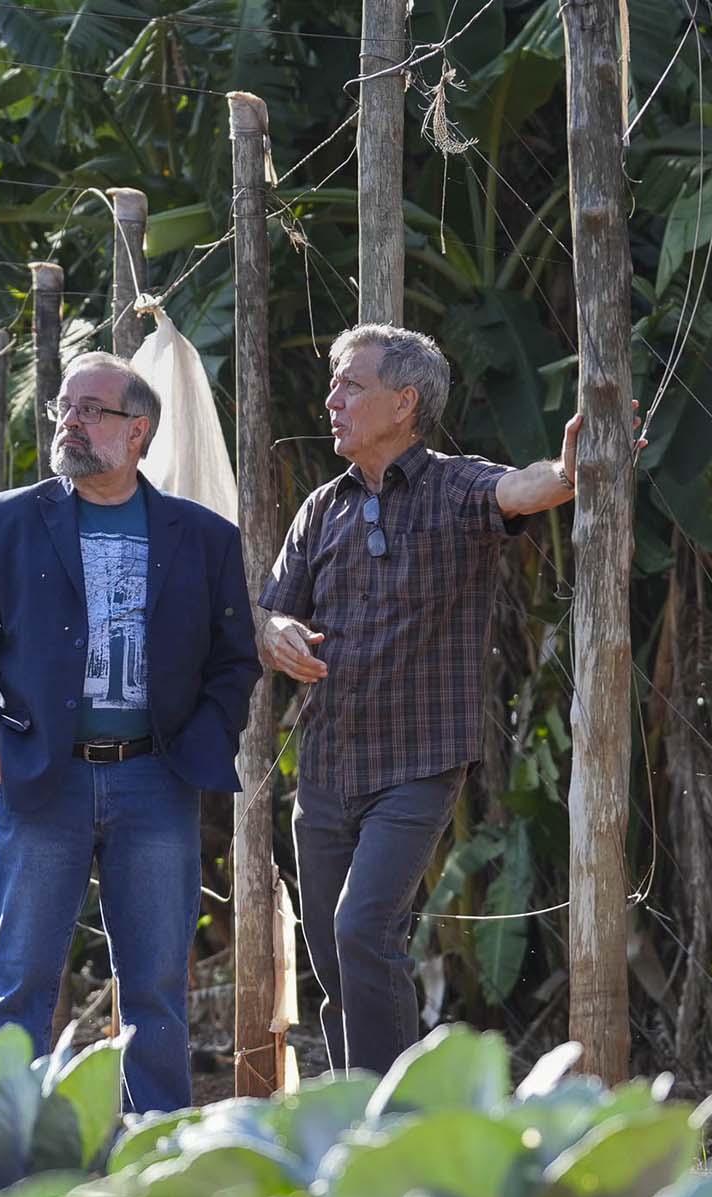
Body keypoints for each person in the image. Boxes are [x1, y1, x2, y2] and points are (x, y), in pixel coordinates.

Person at [256, 323, 618, 1077]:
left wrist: (568, 469)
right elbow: (269, 614)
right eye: (334, 385)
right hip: (325, 767)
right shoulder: (322, 507)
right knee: (331, 957)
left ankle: (396, 1122)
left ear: (404, 402)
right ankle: (358, 1105)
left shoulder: (455, 486)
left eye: (351, 386)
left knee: (365, 930)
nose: (332, 400)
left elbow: (521, 489)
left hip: (417, 766)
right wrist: (277, 631)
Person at [0, 351, 260, 1113]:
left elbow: (233, 660)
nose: (69, 422)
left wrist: (197, 749)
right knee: (18, 986)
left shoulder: (202, 537)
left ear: (137, 430)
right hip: (42, 779)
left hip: (155, 780)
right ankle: (12, 1150)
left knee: (157, 990)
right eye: (64, 409)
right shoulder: (8, 520)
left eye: (90, 410)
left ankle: (159, 1150)